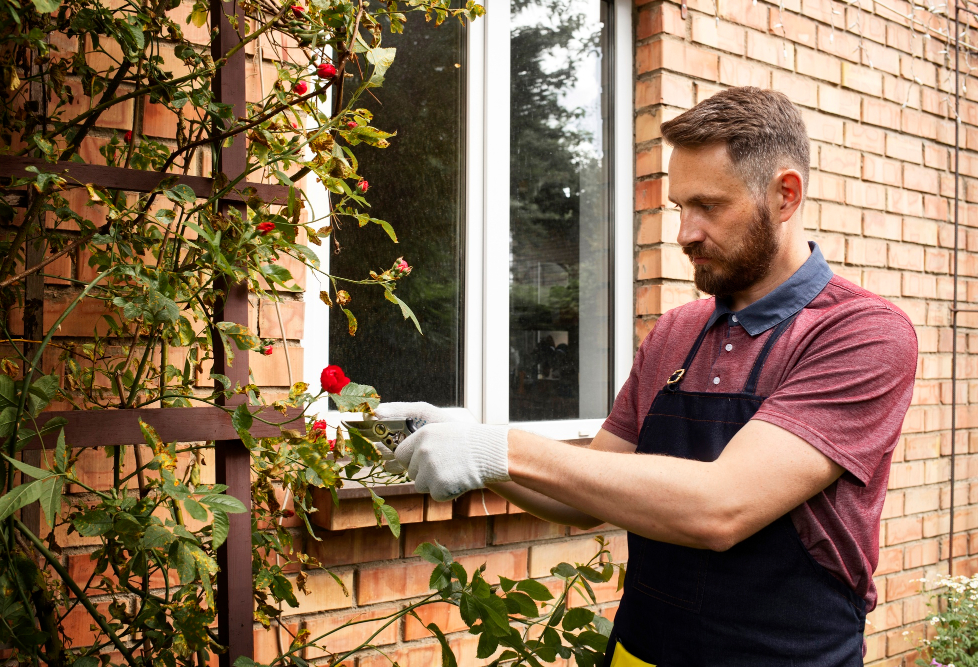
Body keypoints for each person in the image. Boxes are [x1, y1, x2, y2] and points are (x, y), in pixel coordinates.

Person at [375, 87, 918, 666]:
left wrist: (498, 448)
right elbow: (588, 496)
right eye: (679, 207)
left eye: (709, 206)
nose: (685, 232)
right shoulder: (676, 332)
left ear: (785, 196)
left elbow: (721, 507)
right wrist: (469, 444)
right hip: (642, 652)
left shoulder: (861, 334)